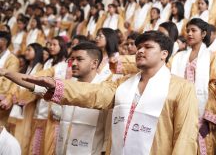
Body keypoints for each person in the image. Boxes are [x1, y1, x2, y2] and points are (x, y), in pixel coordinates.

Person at [22, 31, 199, 154]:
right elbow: (94, 94)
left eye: (148, 47)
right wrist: (57, 86)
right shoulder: (123, 84)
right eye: (139, 47)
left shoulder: (182, 88)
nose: (140, 51)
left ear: (164, 54)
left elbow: (185, 138)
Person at [171, 18, 216, 155]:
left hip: (201, 110)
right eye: (187, 31)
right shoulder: (178, 57)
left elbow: (214, 87)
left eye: (194, 30)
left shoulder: (212, 56)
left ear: (204, 34)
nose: (189, 34)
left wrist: (207, 117)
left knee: (203, 145)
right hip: (181, 108)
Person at [6, 43, 44, 154]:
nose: (26, 52)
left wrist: (25, 100)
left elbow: (38, 87)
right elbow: (15, 85)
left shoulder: (41, 68)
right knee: (12, 130)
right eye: (26, 49)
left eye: (29, 50)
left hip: (28, 106)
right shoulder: (25, 67)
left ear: (37, 52)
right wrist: (13, 96)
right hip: (17, 104)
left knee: (24, 134)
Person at [0, 31, 19, 127]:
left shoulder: (13, 60)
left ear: (4, 41)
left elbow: (9, 81)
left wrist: (7, 98)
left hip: (2, 99)